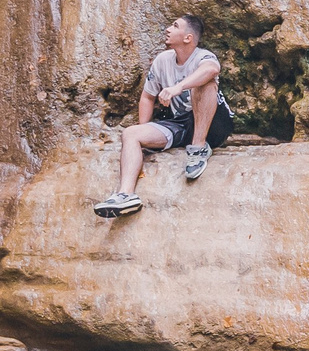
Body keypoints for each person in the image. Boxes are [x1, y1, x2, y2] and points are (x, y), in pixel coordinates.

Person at [94, 13, 234, 217]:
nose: (168, 29)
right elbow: (147, 97)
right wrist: (144, 130)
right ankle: (126, 195)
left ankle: (198, 149)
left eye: (175, 26)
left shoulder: (203, 56)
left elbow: (212, 70)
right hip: (178, 123)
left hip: (212, 124)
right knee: (131, 134)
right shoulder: (162, 60)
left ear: (188, 38)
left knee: (203, 85)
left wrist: (178, 87)